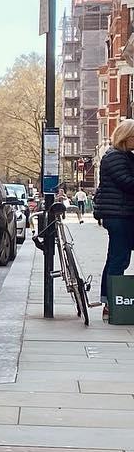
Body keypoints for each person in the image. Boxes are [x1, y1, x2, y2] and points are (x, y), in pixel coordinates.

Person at [92, 122, 134, 320]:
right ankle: (112, 303)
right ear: (126, 137)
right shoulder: (115, 157)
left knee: (116, 257)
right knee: (119, 258)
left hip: (122, 214)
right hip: (118, 215)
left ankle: (109, 300)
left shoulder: (125, 156)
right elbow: (127, 182)